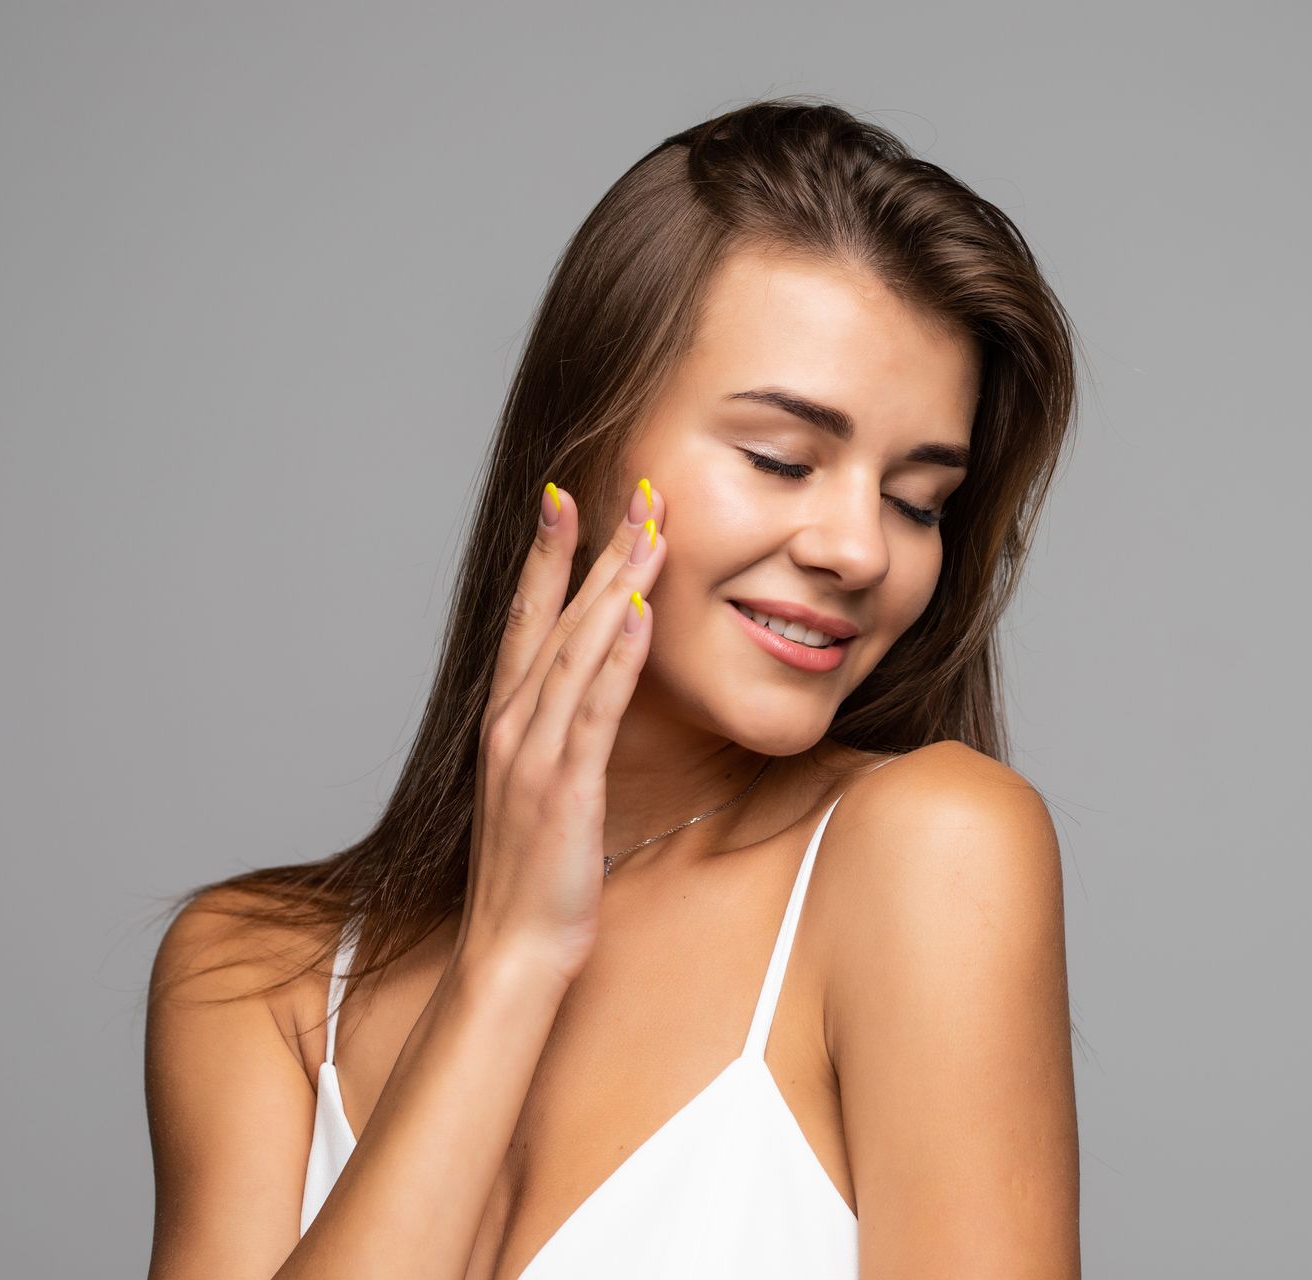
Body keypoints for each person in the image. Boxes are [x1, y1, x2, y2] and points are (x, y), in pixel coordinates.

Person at [144, 95, 1081, 1279]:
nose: (860, 549)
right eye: (780, 458)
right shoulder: (254, 979)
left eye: (917, 500)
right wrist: (508, 963)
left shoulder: (930, 852)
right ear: (582, 442)